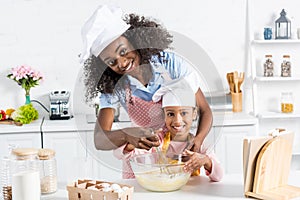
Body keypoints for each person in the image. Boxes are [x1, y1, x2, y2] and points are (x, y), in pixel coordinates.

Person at [81, 5, 212, 154]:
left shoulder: (170, 65)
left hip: (177, 154)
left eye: (123, 51)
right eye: (111, 62)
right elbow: (100, 139)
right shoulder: (114, 87)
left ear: (134, 40)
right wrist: (126, 135)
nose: (122, 63)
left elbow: (205, 109)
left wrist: (199, 139)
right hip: (141, 160)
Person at [113, 78, 223, 181]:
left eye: (184, 113)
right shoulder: (158, 141)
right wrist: (133, 143)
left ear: (194, 114)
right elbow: (119, 154)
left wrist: (206, 161)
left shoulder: (200, 145)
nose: (177, 120)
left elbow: (219, 175)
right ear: (164, 115)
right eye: (170, 114)